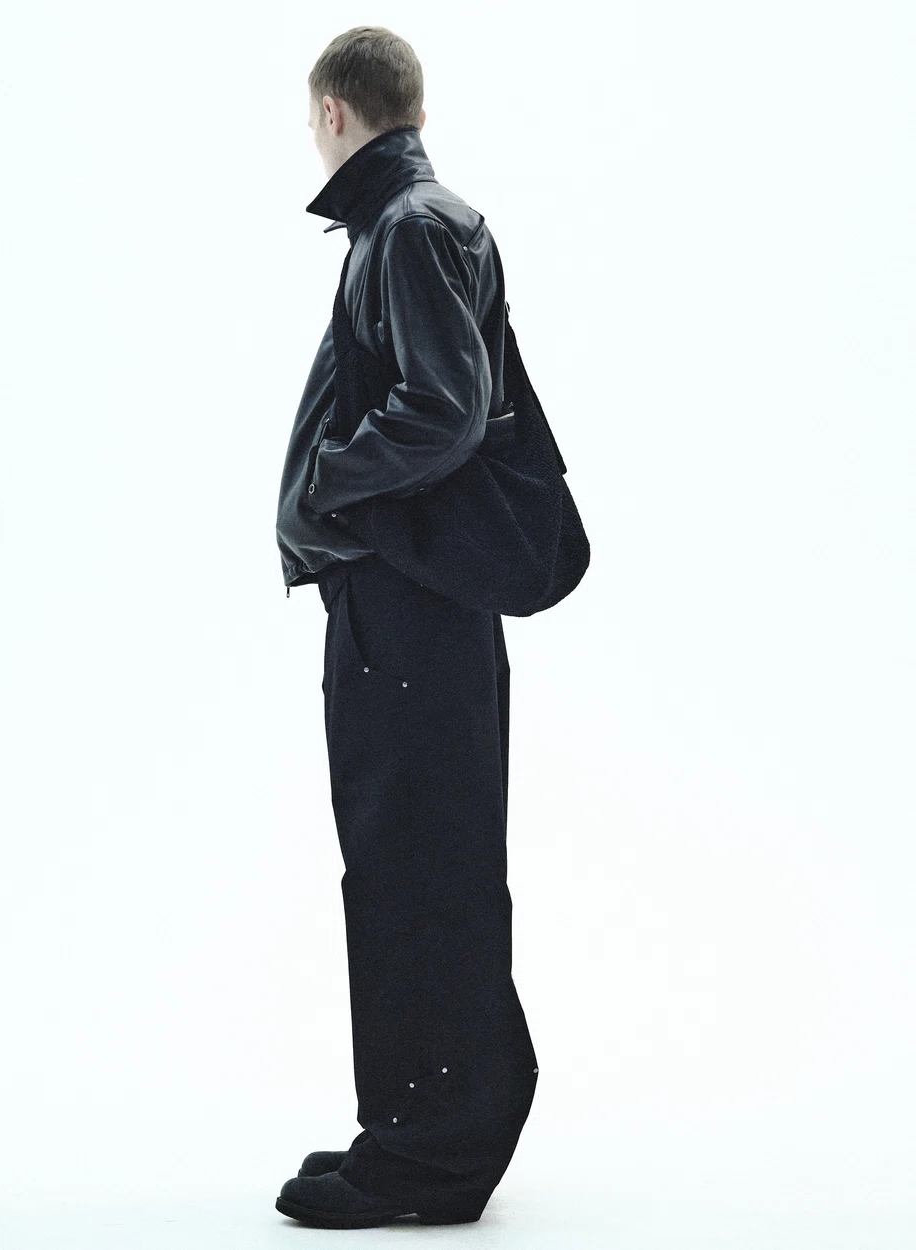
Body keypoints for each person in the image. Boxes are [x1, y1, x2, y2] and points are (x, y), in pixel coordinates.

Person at [274, 26, 539, 1230]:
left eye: (309, 118)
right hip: (407, 601)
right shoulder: (404, 225)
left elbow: (444, 410)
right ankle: (417, 1126)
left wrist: (326, 480)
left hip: (411, 604)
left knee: (418, 864)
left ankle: (431, 1150)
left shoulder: (412, 228)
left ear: (334, 111)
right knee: (411, 860)